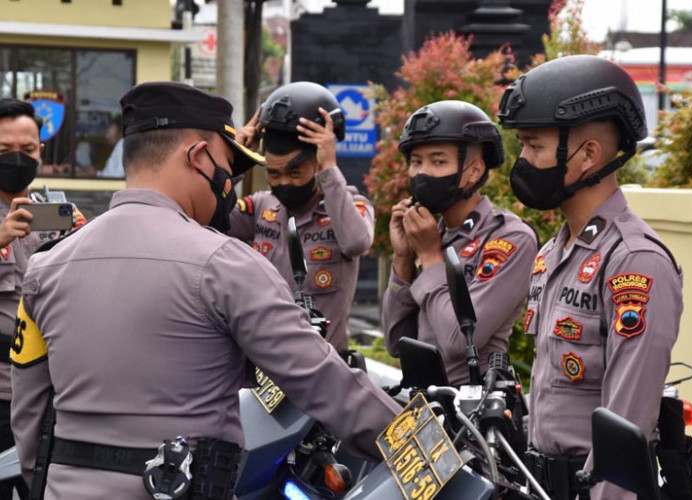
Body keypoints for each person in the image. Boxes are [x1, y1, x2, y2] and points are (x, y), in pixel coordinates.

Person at [10, 82, 400, 499]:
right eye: (228, 168)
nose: (229, 183)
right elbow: (325, 384)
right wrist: (426, 448)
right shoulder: (225, 264)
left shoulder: (46, 267)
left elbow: (29, 416)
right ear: (197, 156)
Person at [498, 54, 683, 499]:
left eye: (535, 146)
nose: (522, 160)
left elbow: (626, 431)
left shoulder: (634, 262)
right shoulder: (553, 252)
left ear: (587, 156)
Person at [382, 100, 538, 386]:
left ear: (474, 171)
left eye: (438, 161)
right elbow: (395, 342)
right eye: (416, 161)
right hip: (424, 408)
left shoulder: (508, 238)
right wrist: (403, 257)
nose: (422, 173)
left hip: (474, 413)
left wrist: (429, 257)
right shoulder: (431, 233)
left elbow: (458, 342)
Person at [230, 81, 374, 353]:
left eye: (294, 172)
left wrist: (329, 170)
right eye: (273, 173)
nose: (283, 182)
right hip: (265, 368)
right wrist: (234, 159)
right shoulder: (262, 207)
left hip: (324, 367)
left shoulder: (350, 206)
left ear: (318, 161)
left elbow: (356, 242)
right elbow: (204, 219)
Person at [0, 98, 85, 499]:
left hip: (43, 391)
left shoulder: (51, 212)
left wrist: (84, 242)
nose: (18, 159)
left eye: (28, 150)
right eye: (5, 151)